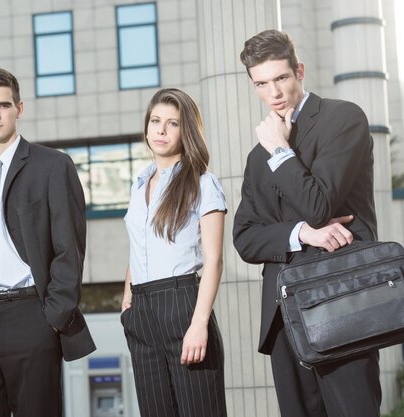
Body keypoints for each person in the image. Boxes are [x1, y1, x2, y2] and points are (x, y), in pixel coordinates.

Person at [233, 29, 380, 417]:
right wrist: (302, 233)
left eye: (281, 78)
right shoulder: (256, 156)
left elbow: (318, 204)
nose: (274, 92)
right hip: (284, 314)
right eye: (261, 83)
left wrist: (281, 152)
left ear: (299, 70)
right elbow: (245, 238)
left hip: (341, 302)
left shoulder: (342, 118)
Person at [0, 66, 96, 417]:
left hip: (30, 317)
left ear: (19, 109)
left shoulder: (53, 166)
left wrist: (52, 317)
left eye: (4, 105)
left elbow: (70, 249)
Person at [121, 88, 228, 417]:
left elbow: (214, 261)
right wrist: (127, 302)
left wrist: (199, 324)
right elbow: (137, 245)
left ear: (187, 131)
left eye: (172, 123)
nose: (161, 130)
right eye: (155, 121)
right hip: (142, 310)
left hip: (183, 304)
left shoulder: (202, 183)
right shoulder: (139, 184)